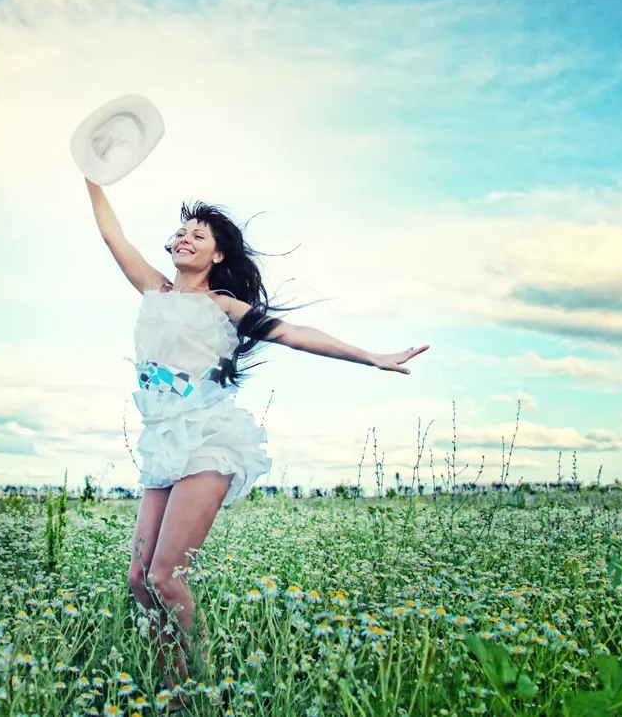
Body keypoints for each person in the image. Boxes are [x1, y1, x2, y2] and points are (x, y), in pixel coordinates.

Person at [85, 178, 429, 710]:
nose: (184, 238)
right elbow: (113, 237)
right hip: (164, 441)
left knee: (165, 577)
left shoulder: (224, 305)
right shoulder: (155, 289)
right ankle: (174, 691)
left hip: (211, 439)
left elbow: (296, 334)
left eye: (198, 235)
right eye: (180, 232)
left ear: (217, 254)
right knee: (138, 578)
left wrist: (372, 356)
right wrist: (93, 174)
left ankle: (200, 693)